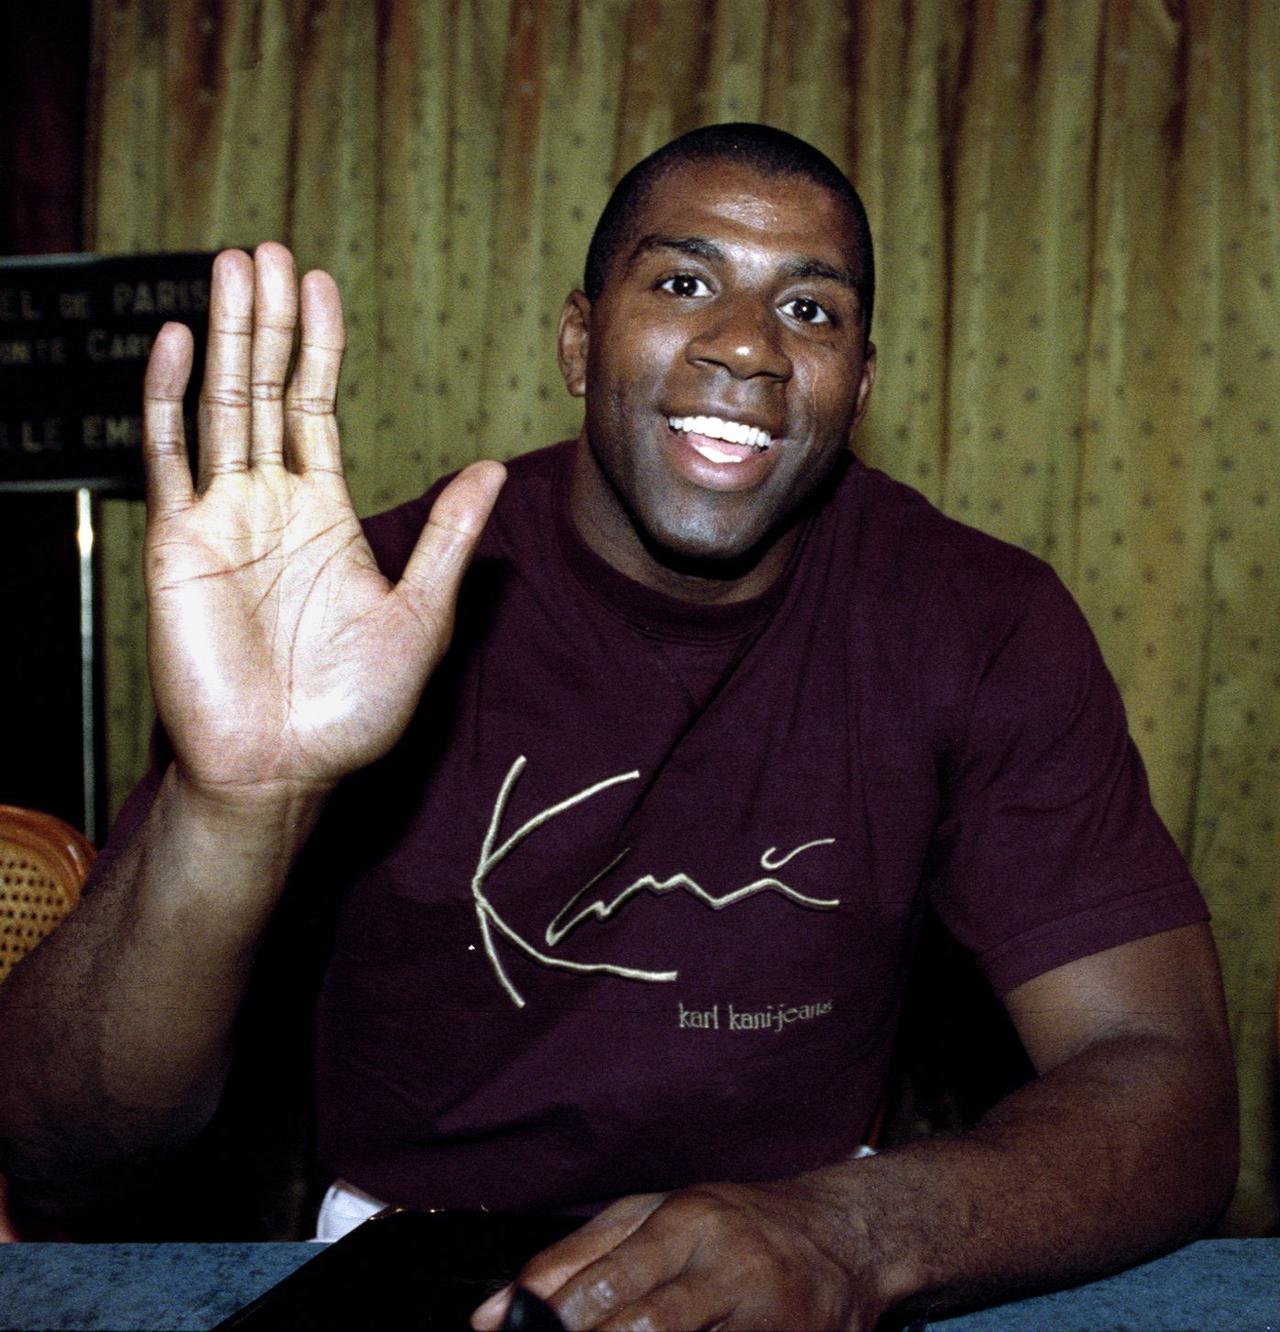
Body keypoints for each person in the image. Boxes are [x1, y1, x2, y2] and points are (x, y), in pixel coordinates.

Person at [0, 124, 1237, 1330]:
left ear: (859, 388)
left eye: (809, 309)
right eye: (683, 280)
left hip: (807, 1257)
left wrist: (849, 1237)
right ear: (579, 341)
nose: (747, 345)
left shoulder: (975, 620)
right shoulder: (363, 613)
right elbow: (61, 1151)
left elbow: (1166, 1085)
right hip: (408, 1263)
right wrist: (233, 810)